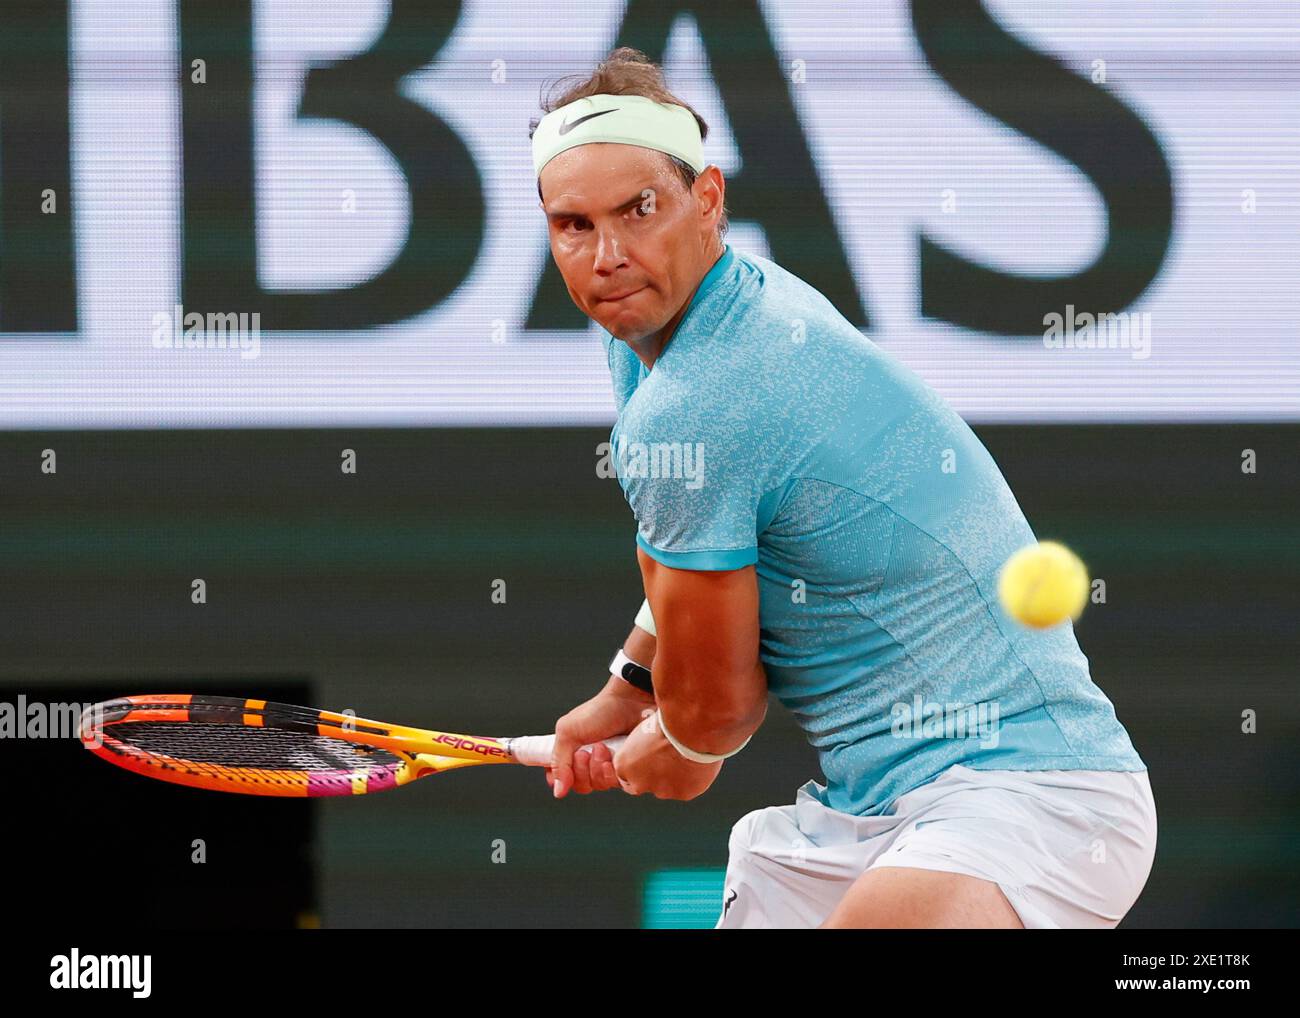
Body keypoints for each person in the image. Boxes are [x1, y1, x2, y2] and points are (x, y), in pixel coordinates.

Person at [531, 48, 1156, 929]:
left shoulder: (697, 399)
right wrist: (629, 689)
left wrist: (673, 745)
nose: (608, 256)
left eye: (639, 210)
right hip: (875, 814)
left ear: (706, 198)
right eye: (573, 225)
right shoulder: (700, 316)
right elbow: (706, 560)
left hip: (1027, 799)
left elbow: (717, 715)